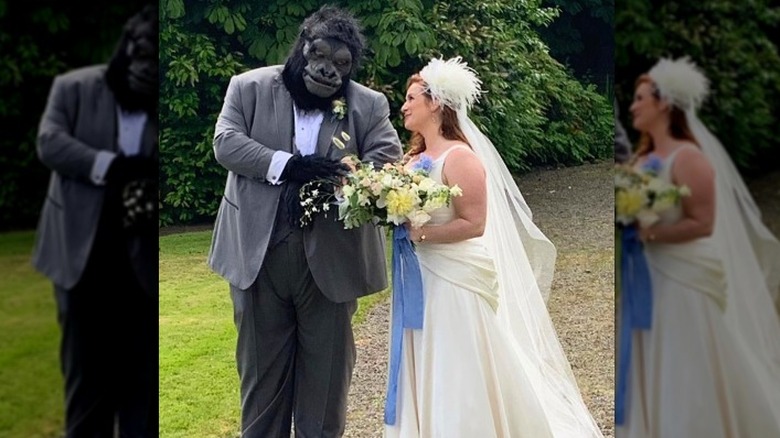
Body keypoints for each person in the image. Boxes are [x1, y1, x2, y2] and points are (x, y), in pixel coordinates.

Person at [207, 6, 402, 437]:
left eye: (341, 64)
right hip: (257, 256)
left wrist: (344, 179)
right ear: (300, 49)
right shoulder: (248, 87)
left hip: (331, 262)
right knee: (260, 379)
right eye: (320, 56)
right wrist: (290, 165)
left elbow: (387, 158)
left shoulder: (368, 104)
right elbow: (225, 143)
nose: (328, 71)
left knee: (327, 380)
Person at [383, 56, 603, 437]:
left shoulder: (461, 157)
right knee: (424, 353)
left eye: (410, 97)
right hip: (420, 274)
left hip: (453, 275)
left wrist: (423, 234)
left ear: (435, 104)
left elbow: (475, 223)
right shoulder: (413, 159)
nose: (403, 106)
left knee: (458, 357)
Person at [617, 57, 780, 437]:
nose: (632, 107)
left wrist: (648, 233)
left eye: (640, 99)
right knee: (650, 354)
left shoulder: (689, 159)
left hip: (683, 277)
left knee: (686, 359)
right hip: (646, 273)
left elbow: (703, 223)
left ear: (664, 104)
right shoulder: (641, 160)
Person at [30, 4, 158, 437]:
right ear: (125, 46)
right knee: (87, 389)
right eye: (138, 54)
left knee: (143, 392)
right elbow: (50, 143)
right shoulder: (73, 88)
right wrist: (112, 165)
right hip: (80, 260)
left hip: (143, 268)